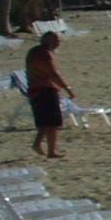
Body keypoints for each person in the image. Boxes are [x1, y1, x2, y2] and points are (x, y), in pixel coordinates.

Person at [25, 30, 73, 159]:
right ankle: (52, 151)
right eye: (56, 40)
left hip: (36, 90)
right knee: (52, 123)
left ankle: (38, 144)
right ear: (48, 41)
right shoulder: (44, 54)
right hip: (44, 90)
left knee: (44, 122)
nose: (59, 42)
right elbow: (53, 74)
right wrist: (67, 89)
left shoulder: (35, 51)